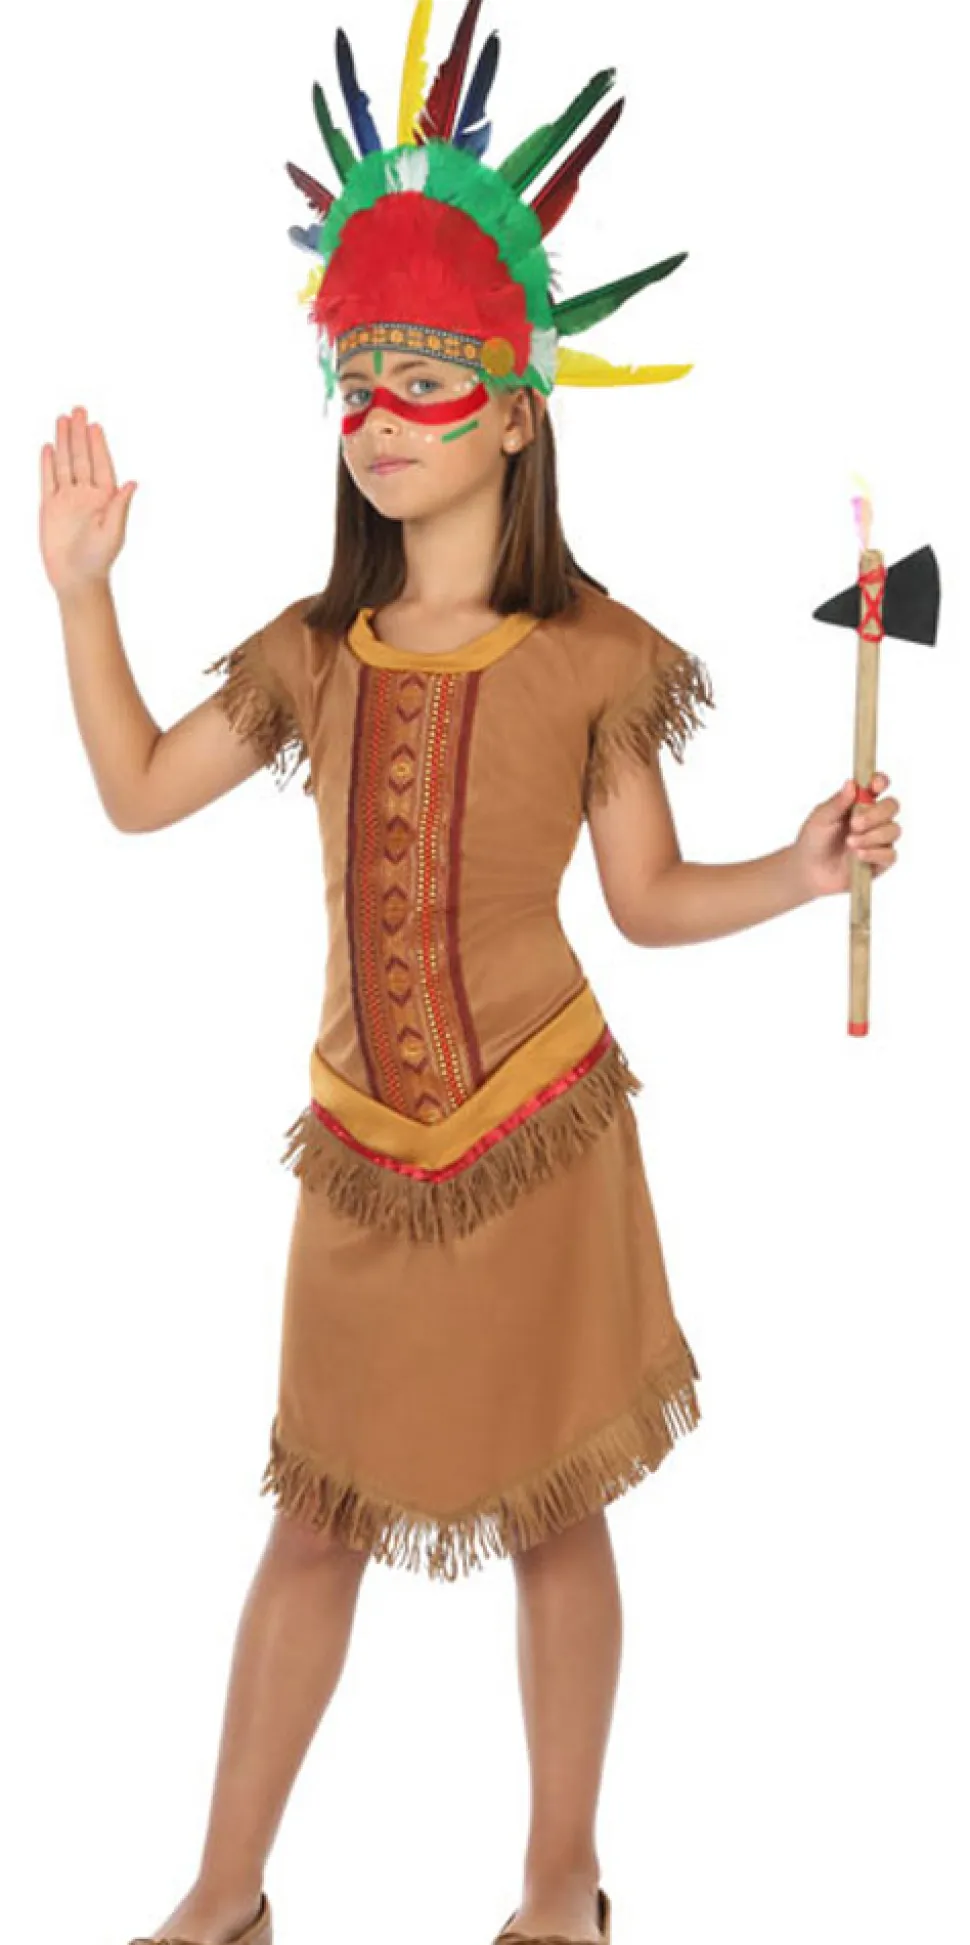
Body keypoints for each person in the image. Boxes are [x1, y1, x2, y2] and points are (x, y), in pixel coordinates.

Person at [37, 7, 903, 1943]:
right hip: (359, 1151)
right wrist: (84, 595)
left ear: (515, 408)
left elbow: (646, 901)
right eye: (354, 381)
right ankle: (221, 1894)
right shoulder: (313, 648)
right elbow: (136, 793)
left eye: (421, 378)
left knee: (551, 1511)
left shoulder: (593, 655)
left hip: (536, 1133)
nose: (377, 418)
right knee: (313, 1517)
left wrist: (800, 867)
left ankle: (556, 1886)